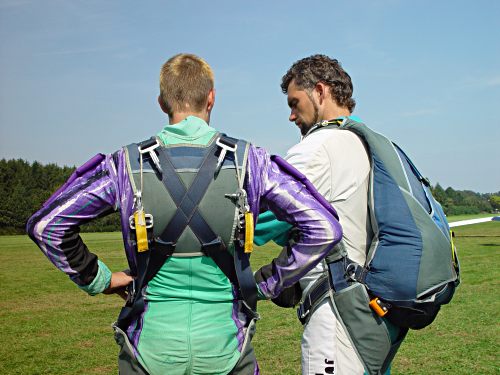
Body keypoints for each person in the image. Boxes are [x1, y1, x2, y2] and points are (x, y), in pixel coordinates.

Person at [26, 53, 343, 375]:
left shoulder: (125, 166)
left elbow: (47, 225)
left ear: (162, 102)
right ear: (211, 98)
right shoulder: (252, 163)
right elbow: (323, 228)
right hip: (227, 347)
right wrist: (267, 283)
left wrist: (101, 279)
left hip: (148, 348)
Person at [254, 55, 398, 375]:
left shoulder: (319, 148)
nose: (291, 116)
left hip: (338, 318)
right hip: (379, 315)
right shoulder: (368, 142)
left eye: (295, 103)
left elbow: (257, 218)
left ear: (320, 92)